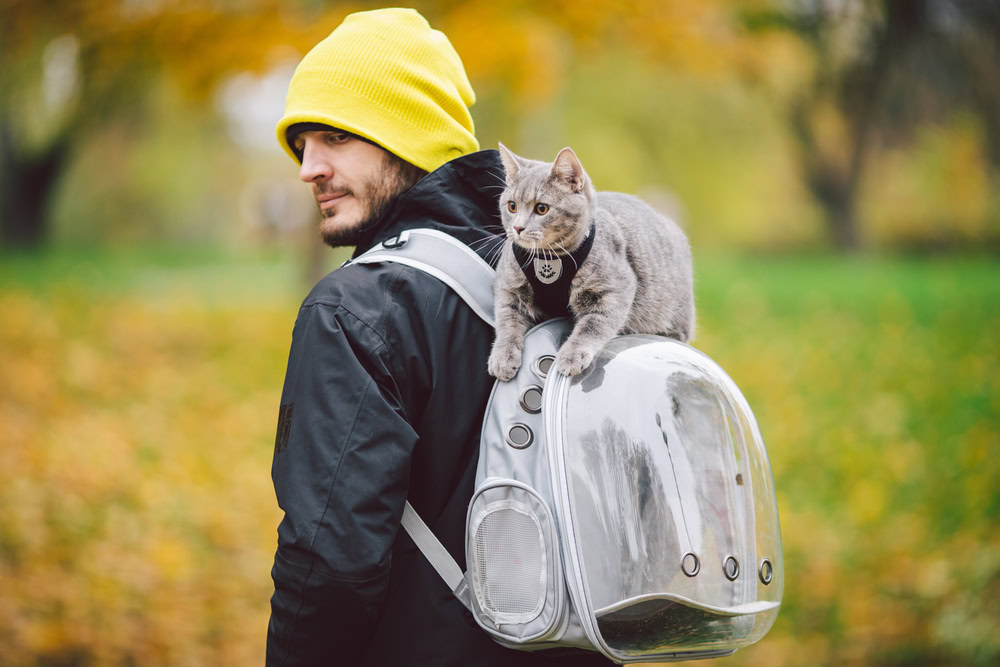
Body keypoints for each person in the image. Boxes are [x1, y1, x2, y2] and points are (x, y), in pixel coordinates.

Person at [267, 8, 608, 666]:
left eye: (333, 136)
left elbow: (329, 570)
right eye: (301, 144)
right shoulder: (560, 277)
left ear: (405, 135)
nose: (308, 167)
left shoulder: (353, 309)